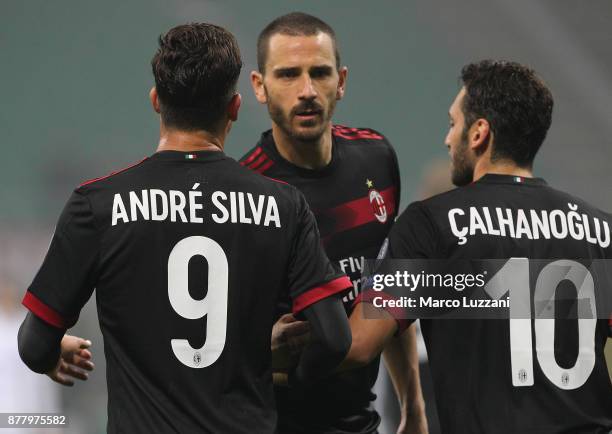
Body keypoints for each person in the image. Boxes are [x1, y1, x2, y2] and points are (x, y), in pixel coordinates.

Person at [17, 23, 353, 434]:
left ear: (156, 101)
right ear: (234, 107)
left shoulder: (97, 204)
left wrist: (52, 352)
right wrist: (280, 374)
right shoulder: (284, 205)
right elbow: (334, 339)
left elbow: (33, 345)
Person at [344, 60, 612, 433]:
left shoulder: (431, 224)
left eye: (453, 124)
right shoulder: (601, 229)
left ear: (479, 133)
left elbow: (359, 344)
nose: (447, 138)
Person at [240, 12, 427, 434]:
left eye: (319, 73)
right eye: (287, 75)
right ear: (259, 86)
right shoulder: (242, 193)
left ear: (340, 81)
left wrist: (413, 408)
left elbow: (388, 293)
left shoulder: (377, 158)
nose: (306, 91)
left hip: (362, 422)